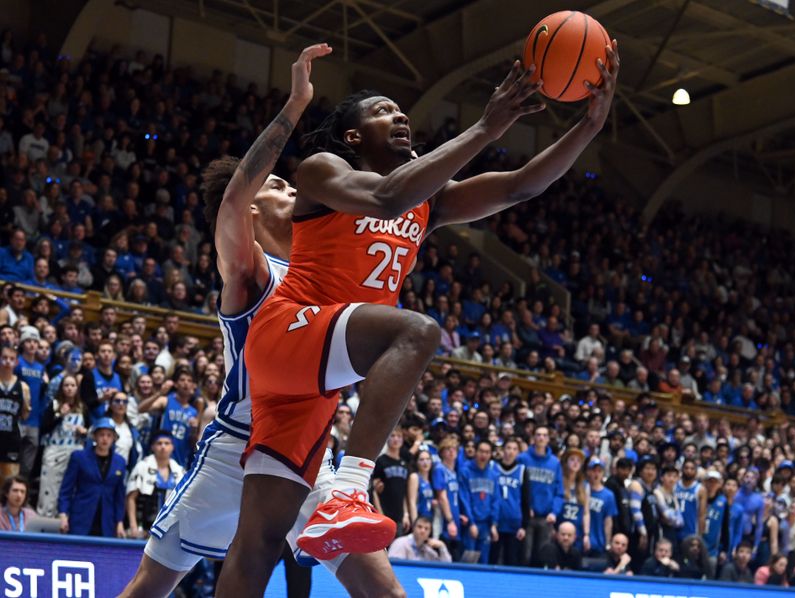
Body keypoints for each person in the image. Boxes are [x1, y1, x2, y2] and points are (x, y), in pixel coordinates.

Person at [220, 41, 619, 587]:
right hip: (288, 332)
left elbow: (524, 184)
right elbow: (386, 197)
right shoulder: (322, 169)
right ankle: (350, 488)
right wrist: (486, 128)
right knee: (417, 329)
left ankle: (340, 497)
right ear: (355, 136)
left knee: (259, 541)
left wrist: (591, 126)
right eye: (383, 111)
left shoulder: (429, 202)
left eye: (401, 110)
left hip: (317, 378)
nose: (401, 115)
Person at [121, 44, 404, 598]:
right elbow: (232, 198)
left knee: (385, 591)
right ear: (252, 207)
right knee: (150, 587)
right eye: (278, 186)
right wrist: (297, 104)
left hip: (308, 450)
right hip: (236, 446)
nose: (292, 190)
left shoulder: (317, 268)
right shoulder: (249, 269)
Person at [57, 417, 127, 538]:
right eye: (101, 435)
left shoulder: (120, 462)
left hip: (107, 520)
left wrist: (119, 522)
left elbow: (119, 496)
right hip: (81, 517)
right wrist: (63, 515)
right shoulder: (79, 457)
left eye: (109, 435)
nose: (105, 439)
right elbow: (66, 489)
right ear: (94, 436)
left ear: (114, 438)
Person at [37, 374, 87, 517]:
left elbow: (89, 432)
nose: (69, 388)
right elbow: (44, 428)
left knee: (71, 488)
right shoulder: (54, 404)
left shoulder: (82, 407)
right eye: (66, 385)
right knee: (49, 487)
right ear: (61, 388)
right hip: (54, 450)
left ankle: (65, 519)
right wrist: (59, 415)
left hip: (75, 451)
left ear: (77, 389)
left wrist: (84, 432)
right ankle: (45, 518)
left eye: (72, 385)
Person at [125, 431, 184, 538]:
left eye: (167, 443)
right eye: (159, 443)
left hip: (168, 530)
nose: (163, 447)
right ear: (152, 447)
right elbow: (131, 498)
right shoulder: (142, 466)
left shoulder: (179, 471)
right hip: (143, 528)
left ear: (172, 447)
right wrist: (133, 527)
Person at [520, 425, 564, 565]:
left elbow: (559, 491)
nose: (541, 438)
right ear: (533, 438)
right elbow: (517, 487)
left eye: (544, 435)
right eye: (538, 435)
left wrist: (554, 512)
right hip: (527, 516)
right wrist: (525, 508)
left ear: (548, 439)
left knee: (542, 557)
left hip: (546, 517)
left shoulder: (555, 462)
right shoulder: (523, 459)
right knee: (525, 556)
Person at [459, 439, 500, 563]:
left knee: (484, 561)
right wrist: (471, 523)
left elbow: (496, 500)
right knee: (469, 560)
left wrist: (494, 524)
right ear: (476, 452)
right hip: (471, 523)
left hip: (486, 524)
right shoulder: (465, 471)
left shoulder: (493, 475)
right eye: (481, 451)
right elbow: (464, 498)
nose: (484, 455)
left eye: (487, 452)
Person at [14, 325, 48, 478]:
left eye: (35, 341)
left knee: (27, 467)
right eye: (28, 341)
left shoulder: (41, 368)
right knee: (12, 461)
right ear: (22, 343)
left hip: (35, 421)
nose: (32, 345)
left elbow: (42, 395)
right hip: (18, 419)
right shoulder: (17, 363)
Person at [491, 438, 527, 565]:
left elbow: (526, 500)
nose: (511, 452)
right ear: (503, 450)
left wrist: (524, 525)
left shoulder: (522, 470)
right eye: (508, 448)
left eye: (514, 449)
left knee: (511, 560)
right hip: (496, 521)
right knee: (493, 559)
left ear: (518, 452)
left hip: (514, 523)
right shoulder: (492, 467)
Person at [0, 344, 30, 487]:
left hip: (11, 440)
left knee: (9, 485)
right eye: (4, 358)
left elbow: (25, 414)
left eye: (11, 358)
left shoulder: (23, 387)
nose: (7, 361)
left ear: (16, 362)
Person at [372, 427, 410, 536]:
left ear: (402, 440)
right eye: (392, 436)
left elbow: (404, 493)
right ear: (387, 439)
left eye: (399, 436)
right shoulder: (381, 461)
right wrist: (380, 513)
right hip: (385, 513)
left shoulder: (404, 463)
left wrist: (406, 514)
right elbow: (374, 491)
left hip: (399, 516)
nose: (395, 439)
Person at [432, 434, 463, 561]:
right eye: (447, 449)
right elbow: (442, 496)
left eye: (454, 449)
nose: (451, 452)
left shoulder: (454, 472)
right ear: (442, 452)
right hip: (444, 518)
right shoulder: (440, 469)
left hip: (454, 515)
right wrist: (450, 521)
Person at [628, 454, 660, 572]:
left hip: (650, 533)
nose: (650, 472)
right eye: (647, 468)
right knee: (637, 562)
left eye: (653, 469)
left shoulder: (651, 488)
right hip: (638, 534)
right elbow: (635, 509)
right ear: (640, 471)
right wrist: (643, 532)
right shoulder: (637, 485)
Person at [559, 446, 590, 554]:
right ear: (566, 462)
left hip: (577, 531)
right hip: (560, 528)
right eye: (572, 459)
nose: (575, 463)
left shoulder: (584, 485)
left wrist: (586, 534)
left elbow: (586, 513)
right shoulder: (559, 482)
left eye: (578, 461)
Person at [587, 456, 617, 557]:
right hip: (581, 540)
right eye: (593, 470)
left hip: (598, 541)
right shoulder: (582, 490)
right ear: (588, 472)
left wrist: (607, 542)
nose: (596, 474)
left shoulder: (608, 495)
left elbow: (608, 521)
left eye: (599, 471)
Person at [387, 515, 452, 562]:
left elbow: (447, 567)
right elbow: (394, 566)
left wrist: (442, 546)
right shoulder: (400, 543)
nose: (423, 531)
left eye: (426, 529)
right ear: (413, 528)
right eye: (419, 527)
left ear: (430, 533)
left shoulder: (427, 549)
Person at [675, 459, 707, 542]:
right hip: (673, 529)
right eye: (686, 468)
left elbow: (702, 515)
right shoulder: (674, 485)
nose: (689, 471)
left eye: (692, 469)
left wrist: (699, 535)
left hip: (691, 530)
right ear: (682, 470)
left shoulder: (700, 489)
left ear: (696, 472)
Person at [654, 464, 683, 554]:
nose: (672, 479)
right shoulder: (657, 492)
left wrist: (673, 518)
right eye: (669, 475)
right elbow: (666, 515)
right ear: (662, 478)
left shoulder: (673, 495)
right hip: (661, 531)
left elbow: (681, 521)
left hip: (672, 531)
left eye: (675, 476)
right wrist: (674, 518)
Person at [702, 470, 726, 572]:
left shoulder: (723, 502)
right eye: (709, 481)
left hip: (712, 550)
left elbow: (725, 526)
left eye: (714, 482)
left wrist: (724, 549)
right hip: (697, 546)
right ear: (704, 483)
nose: (711, 484)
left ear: (719, 484)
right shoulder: (698, 497)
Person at [406, 449, 434, 523]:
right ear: (416, 462)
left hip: (429, 520)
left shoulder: (431, 479)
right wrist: (415, 523)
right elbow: (412, 502)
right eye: (421, 459)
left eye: (428, 459)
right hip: (419, 520)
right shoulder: (414, 477)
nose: (425, 462)